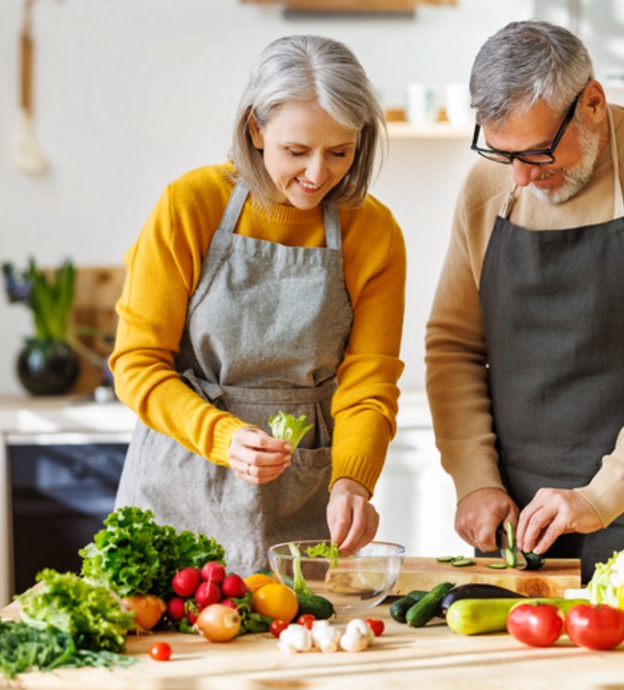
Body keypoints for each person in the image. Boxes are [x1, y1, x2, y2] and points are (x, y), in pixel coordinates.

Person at [424, 20, 624, 583]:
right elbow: (453, 345)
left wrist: (601, 496)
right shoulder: (488, 187)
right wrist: (474, 479)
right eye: (504, 155)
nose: (522, 177)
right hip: (516, 526)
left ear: (593, 102)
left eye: (539, 152)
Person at [111, 35, 405, 576]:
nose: (318, 174)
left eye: (340, 152)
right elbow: (136, 366)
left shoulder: (374, 231)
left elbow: (369, 382)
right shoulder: (190, 205)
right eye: (297, 151)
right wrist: (223, 435)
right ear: (255, 128)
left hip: (303, 498)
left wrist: (352, 481)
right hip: (183, 479)